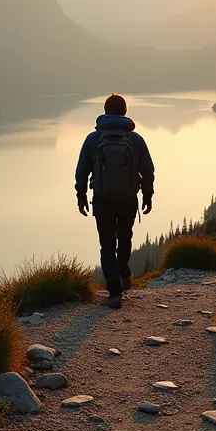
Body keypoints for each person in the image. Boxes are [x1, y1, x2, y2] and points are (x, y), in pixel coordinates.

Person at [75, 93, 155, 309]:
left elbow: (82, 171)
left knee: (107, 245)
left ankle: (114, 293)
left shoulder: (93, 139)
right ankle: (124, 272)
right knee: (125, 236)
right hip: (128, 199)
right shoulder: (136, 140)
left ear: (105, 112)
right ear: (125, 112)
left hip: (102, 200)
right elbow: (148, 170)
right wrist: (147, 195)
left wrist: (81, 196)